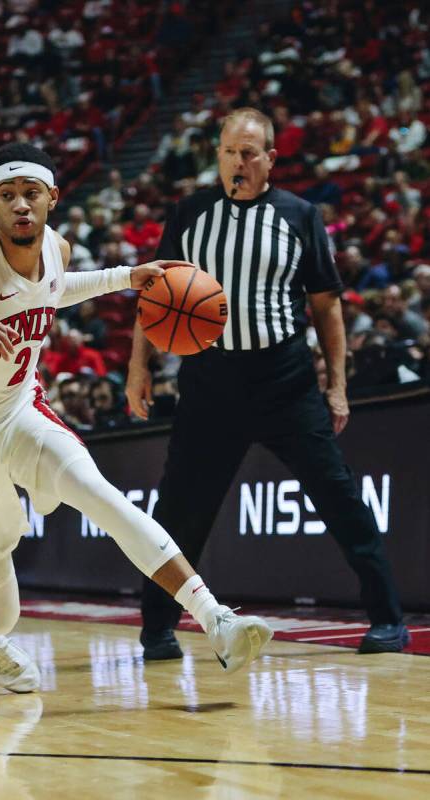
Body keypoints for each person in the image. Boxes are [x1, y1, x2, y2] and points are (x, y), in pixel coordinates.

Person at [0, 142, 272, 693]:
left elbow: (54, 290)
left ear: (52, 197)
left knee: (102, 496)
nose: (20, 204)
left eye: (30, 192)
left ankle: (216, 618)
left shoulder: (58, 248)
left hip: (19, 412)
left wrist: (127, 276)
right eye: (7, 195)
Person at [126, 107, 408, 661]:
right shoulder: (189, 214)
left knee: (339, 497)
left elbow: (326, 307)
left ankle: (387, 618)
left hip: (285, 379)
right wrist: (139, 369)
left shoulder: (300, 215)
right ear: (218, 155)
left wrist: (337, 385)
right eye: (230, 152)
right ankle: (157, 629)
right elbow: (155, 296)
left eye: (249, 153)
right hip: (210, 381)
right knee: (180, 509)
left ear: (270, 158)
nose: (239, 162)